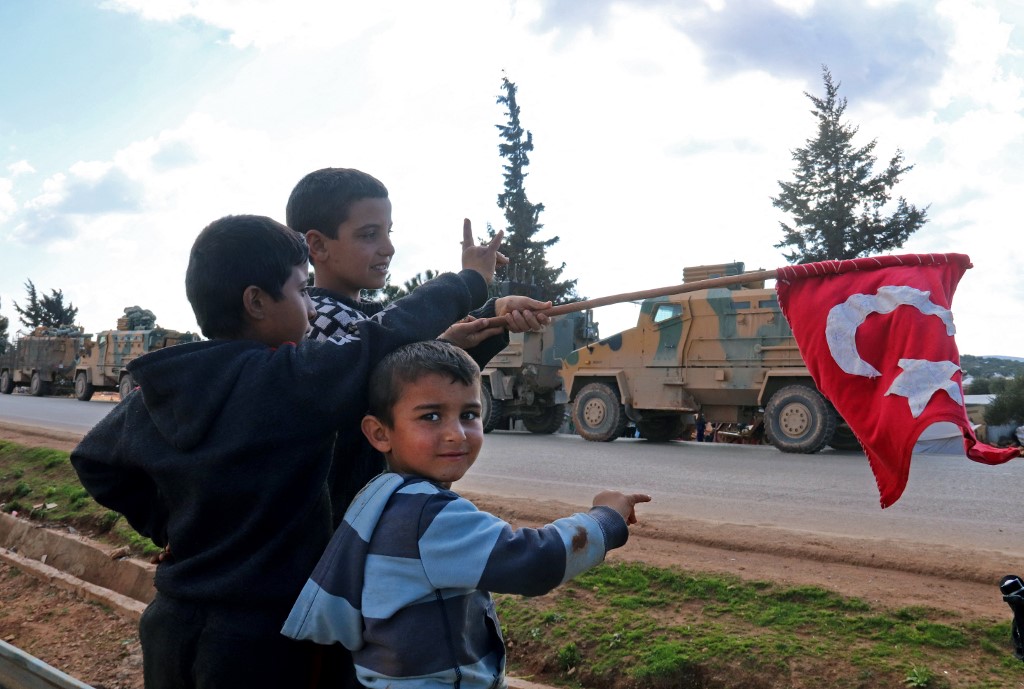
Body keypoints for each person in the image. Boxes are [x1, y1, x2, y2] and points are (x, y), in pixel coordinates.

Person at [70, 214, 504, 689]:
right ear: (256, 301)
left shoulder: (166, 383)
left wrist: (169, 526)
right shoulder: (286, 382)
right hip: (265, 640)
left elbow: (94, 461)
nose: (313, 311)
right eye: (301, 292)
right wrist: (470, 282)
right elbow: (384, 335)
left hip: (173, 622)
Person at [282, 340, 651, 689]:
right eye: (431, 416)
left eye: (469, 414)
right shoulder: (427, 515)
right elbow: (534, 561)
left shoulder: (382, 495)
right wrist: (606, 519)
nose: (457, 433)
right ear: (380, 434)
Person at [285, 167, 551, 519]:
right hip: (342, 528)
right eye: (369, 235)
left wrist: (495, 314)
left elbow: (403, 361)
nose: (388, 247)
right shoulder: (318, 320)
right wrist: (469, 282)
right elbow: (393, 366)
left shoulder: (364, 321)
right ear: (316, 245)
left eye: (388, 232)